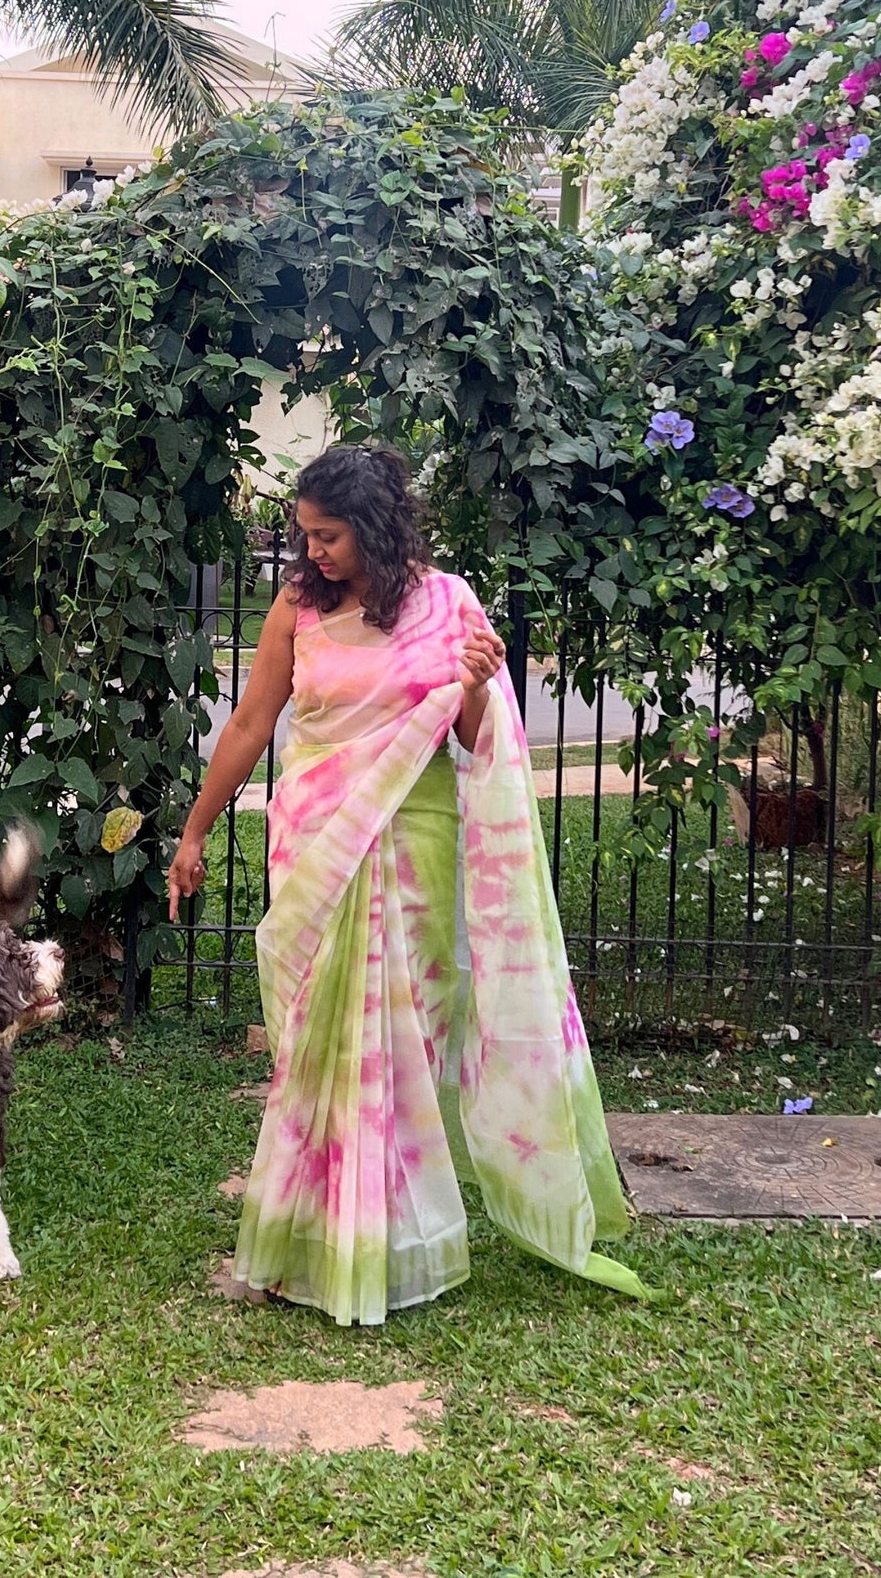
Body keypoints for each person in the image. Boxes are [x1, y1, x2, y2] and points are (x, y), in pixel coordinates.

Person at [167, 443, 644, 1324]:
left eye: (329, 535)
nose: (312, 550)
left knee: (405, 1041)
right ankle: (300, 1238)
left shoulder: (448, 602)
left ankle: (385, 1242)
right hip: (318, 838)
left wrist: (475, 685)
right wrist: (194, 829)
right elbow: (248, 723)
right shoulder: (296, 606)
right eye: (305, 534)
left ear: (375, 527)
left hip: (415, 844)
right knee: (314, 1043)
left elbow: (468, 736)